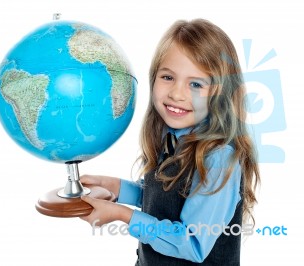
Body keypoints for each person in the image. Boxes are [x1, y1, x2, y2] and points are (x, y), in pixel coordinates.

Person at [79, 18, 260, 265]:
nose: (176, 94)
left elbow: (193, 244)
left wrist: (123, 216)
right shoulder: (172, 139)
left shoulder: (219, 159)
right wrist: (117, 188)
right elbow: (167, 200)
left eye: (195, 84)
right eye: (167, 77)